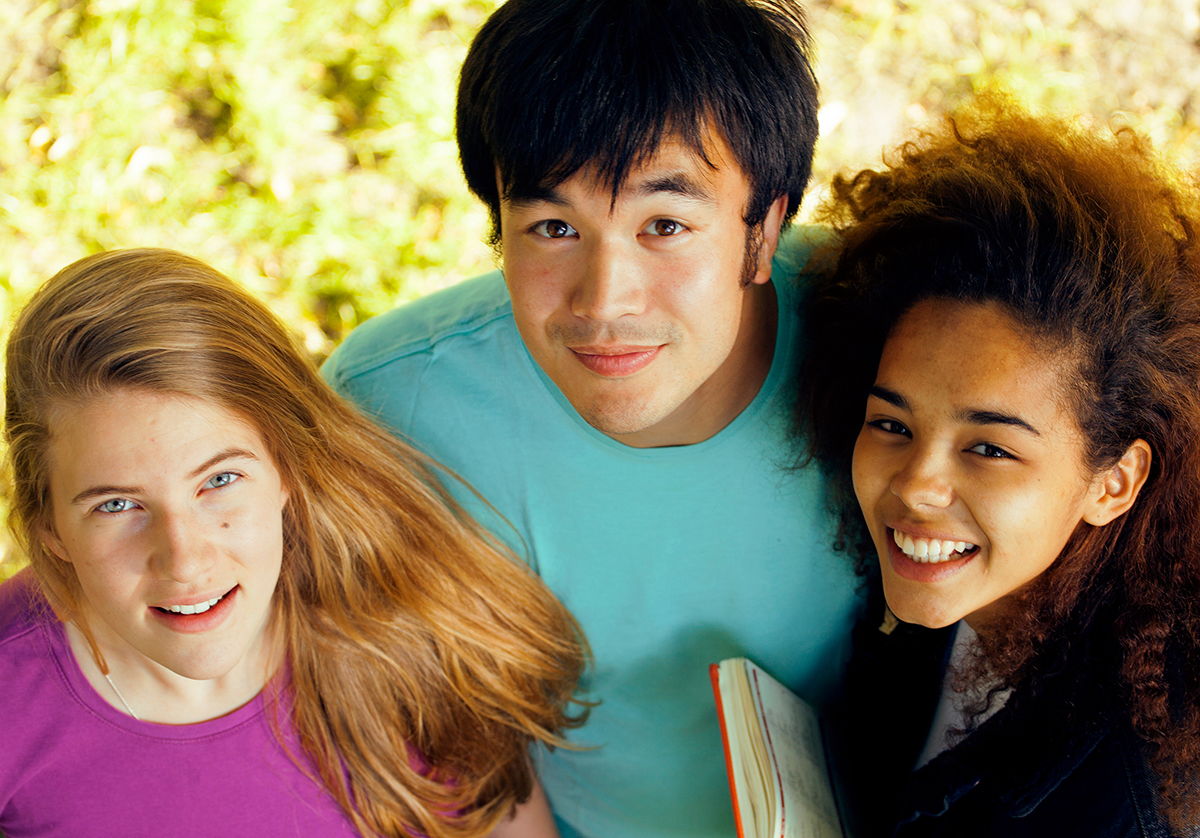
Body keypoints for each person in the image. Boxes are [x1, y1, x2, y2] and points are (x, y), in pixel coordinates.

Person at [321, 1, 862, 836]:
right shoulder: (391, 409)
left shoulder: (883, 335)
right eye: (553, 227)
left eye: (666, 225)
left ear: (764, 228)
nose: (604, 301)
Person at [0, 249, 588, 838]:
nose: (185, 560)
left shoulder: (413, 637)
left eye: (219, 481)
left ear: (287, 466)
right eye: (117, 505)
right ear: (49, 525)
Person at [799, 96, 1200, 836]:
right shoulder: (945, 604)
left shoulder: (1136, 803)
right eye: (892, 423)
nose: (916, 484)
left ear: (1113, 482)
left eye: (989, 448)